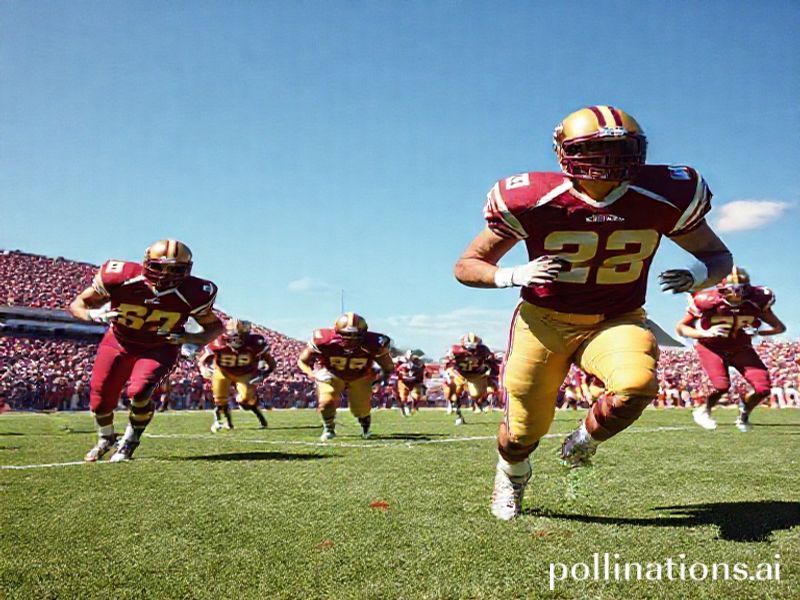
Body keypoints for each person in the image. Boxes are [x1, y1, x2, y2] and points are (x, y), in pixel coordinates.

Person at [454, 105, 732, 520]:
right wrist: (513, 274)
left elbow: (717, 257)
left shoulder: (667, 193)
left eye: (622, 151)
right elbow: (467, 265)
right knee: (521, 433)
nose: (611, 162)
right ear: (565, 152)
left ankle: (583, 442)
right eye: (597, 151)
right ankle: (512, 474)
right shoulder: (533, 198)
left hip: (616, 317)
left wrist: (697, 274)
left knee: (637, 384)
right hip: (544, 320)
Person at [70, 240, 223, 462]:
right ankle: (106, 438)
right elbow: (78, 304)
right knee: (100, 399)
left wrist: (191, 337)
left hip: (159, 347)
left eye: (175, 269)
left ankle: (130, 441)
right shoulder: (120, 277)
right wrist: (91, 315)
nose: (166, 274)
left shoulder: (194, 292)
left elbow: (215, 327)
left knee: (140, 391)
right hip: (119, 341)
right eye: (160, 267)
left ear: (187, 269)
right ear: (146, 262)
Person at [676, 266, 786, 432]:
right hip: (711, 346)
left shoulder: (756, 301)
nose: (737, 294)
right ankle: (704, 410)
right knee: (721, 386)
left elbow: (779, 327)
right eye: (732, 290)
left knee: (763, 388)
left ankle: (744, 411)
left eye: (741, 290)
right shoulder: (707, 300)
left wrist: (759, 331)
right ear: (722, 289)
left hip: (740, 346)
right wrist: (704, 332)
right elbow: (681, 328)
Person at [296, 312, 394, 441]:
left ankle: (365, 426)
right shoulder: (325, 340)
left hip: (360, 375)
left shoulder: (374, 343)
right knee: (326, 402)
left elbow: (388, 366)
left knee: (360, 409)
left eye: (356, 335)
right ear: (337, 332)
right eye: (347, 335)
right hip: (332, 373)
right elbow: (303, 361)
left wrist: (381, 379)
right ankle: (329, 428)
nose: (351, 339)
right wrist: (313, 375)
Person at [198, 318, 276, 432]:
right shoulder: (218, 342)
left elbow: (271, 364)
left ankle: (257, 413)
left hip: (244, 373)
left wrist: (263, 375)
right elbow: (202, 360)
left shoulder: (255, 343)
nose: (239, 339)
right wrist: (203, 368)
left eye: (242, 335)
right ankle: (224, 421)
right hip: (222, 371)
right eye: (236, 336)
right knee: (220, 399)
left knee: (245, 398)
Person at [442, 333, 495, 424]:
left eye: (474, 347)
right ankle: (458, 414)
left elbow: (491, 362)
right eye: (469, 347)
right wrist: (449, 370)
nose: (471, 350)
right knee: (455, 391)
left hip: (475, 374)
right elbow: (447, 363)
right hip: (460, 373)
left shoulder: (483, 350)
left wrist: (488, 368)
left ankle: (480, 403)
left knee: (475, 394)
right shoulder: (455, 350)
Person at [394, 350, 427, 416]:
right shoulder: (400, 360)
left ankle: (412, 406)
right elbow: (394, 367)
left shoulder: (417, 362)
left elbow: (422, 369)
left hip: (413, 381)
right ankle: (404, 408)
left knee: (416, 396)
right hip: (402, 381)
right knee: (401, 397)